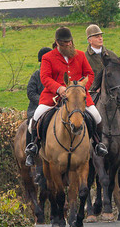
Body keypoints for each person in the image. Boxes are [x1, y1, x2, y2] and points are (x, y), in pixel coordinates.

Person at [25, 27, 106, 166]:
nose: (68, 45)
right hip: (52, 97)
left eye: (70, 42)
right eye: (64, 43)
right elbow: (44, 77)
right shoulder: (48, 57)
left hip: (79, 97)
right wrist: (59, 88)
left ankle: (98, 144)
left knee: (97, 116)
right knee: (36, 117)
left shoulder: (80, 55)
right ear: (57, 43)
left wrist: (81, 89)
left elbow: (89, 74)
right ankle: (33, 147)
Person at [85, 24, 120, 154]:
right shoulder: (85, 57)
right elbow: (84, 76)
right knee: (85, 114)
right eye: (96, 36)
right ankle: (87, 143)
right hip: (93, 92)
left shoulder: (111, 54)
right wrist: (93, 89)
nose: (100, 38)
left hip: (113, 93)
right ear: (89, 40)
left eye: (101, 36)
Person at [26, 47, 51, 119]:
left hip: (55, 106)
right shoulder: (36, 75)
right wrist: (43, 100)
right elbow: (31, 93)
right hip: (37, 107)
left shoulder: (57, 74)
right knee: (32, 124)